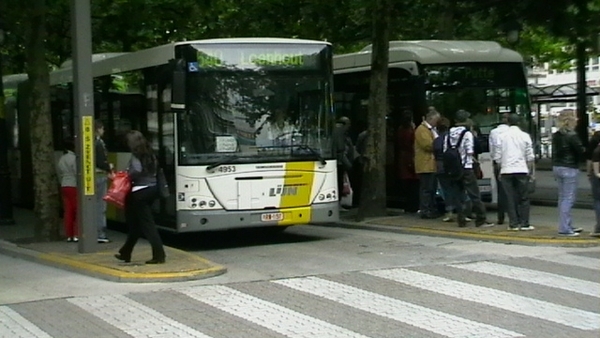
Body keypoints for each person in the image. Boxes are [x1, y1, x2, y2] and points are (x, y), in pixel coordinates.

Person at [115, 130, 166, 264]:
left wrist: (127, 173)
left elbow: (136, 170)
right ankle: (125, 252)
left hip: (139, 192)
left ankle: (159, 255)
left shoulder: (136, 155)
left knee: (147, 225)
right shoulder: (151, 153)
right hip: (152, 189)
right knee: (135, 223)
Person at [444, 110, 494, 228]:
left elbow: (445, 149)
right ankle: (480, 219)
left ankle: (461, 219)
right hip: (466, 167)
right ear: (466, 120)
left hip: (454, 169)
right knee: (474, 194)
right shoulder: (467, 134)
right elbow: (470, 151)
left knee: (457, 194)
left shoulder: (448, 133)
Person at [494, 114, 535, 231]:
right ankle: (524, 223)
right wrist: (530, 172)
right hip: (522, 169)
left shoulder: (501, 136)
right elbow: (530, 157)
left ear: (508, 122)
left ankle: (513, 223)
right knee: (524, 197)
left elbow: (498, 157)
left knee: (510, 198)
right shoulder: (525, 136)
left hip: (506, 170)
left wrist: (499, 170)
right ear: (519, 122)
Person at [551, 110, 585, 236]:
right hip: (570, 167)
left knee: (563, 198)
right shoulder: (572, 135)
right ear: (570, 120)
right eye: (575, 118)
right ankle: (565, 228)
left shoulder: (556, 135)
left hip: (558, 166)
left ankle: (567, 224)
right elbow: (581, 151)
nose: (577, 120)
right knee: (568, 198)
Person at [414, 109, 440, 218]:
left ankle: (431, 208)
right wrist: (439, 145)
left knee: (432, 189)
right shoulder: (421, 130)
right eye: (436, 120)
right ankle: (425, 210)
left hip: (431, 164)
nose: (437, 122)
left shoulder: (431, 130)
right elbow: (427, 145)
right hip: (425, 164)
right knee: (426, 189)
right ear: (430, 119)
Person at [433, 117, 456, 221]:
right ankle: (464, 210)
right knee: (458, 188)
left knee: (446, 190)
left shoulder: (437, 141)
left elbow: (435, 152)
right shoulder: (453, 138)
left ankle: (449, 211)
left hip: (441, 166)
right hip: (454, 166)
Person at [489, 114, 510, 224]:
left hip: (499, 163)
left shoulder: (494, 132)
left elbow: (492, 150)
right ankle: (514, 217)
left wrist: (496, 161)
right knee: (513, 191)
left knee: (501, 190)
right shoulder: (514, 132)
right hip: (512, 163)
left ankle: (500, 217)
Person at [396, 111, 419, 213]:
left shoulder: (400, 130)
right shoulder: (410, 131)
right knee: (414, 185)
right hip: (410, 158)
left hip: (403, 158)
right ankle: (413, 206)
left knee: (407, 185)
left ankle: (408, 206)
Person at [57, 139, 78, 242]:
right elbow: (76, 172)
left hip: (64, 185)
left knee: (68, 211)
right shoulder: (74, 158)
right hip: (73, 185)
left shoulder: (62, 158)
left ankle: (69, 235)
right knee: (77, 211)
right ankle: (76, 234)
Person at [95, 120, 112, 243]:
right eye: (102, 128)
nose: (104, 131)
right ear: (98, 129)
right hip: (99, 176)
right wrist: (109, 167)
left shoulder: (88, 142)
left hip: (92, 176)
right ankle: (100, 233)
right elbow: (101, 162)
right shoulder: (98, 143)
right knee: (101, 205)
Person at [332, 117, 353, 209]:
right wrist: (348, 164)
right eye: (348, 124)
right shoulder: (339, 132)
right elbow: (340, 150)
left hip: (339, 161)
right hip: (339, 162)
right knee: (339, 183)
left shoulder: (338, 131)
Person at [590, 141, 600, 237]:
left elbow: (596, 172)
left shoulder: (597, 151)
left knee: (598, 201)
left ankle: (599, 228)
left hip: (598, 181)